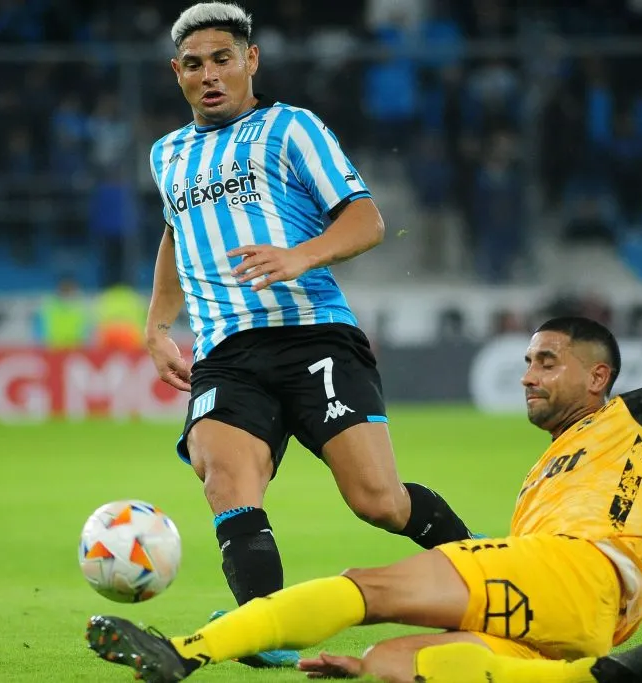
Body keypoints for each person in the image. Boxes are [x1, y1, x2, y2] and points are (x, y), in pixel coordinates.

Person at [85, 191, 642, 682]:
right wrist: (360, 666)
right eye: (526, 362)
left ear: (599, 374)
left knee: (367, 586)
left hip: (578, 568)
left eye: (546, 360)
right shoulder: (543, 473)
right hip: (590, 616)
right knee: (391, 659)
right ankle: (588, 675)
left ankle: (184, 649)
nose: (528, 376)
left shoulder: (641, 416)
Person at [140, 1, 477, 668]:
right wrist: (156, 323)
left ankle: (491, 571)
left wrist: (300, 255)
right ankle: (267, 627)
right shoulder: (167, 153)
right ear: (175, 72)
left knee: (377, 500)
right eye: (194, 64)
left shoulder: (291, 129)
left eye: (222, 60)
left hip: (313, 335)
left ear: (251, 61)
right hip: (225, 351)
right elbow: (177, 234)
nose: (209, 74)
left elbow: (366, 220)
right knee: (225, 477)